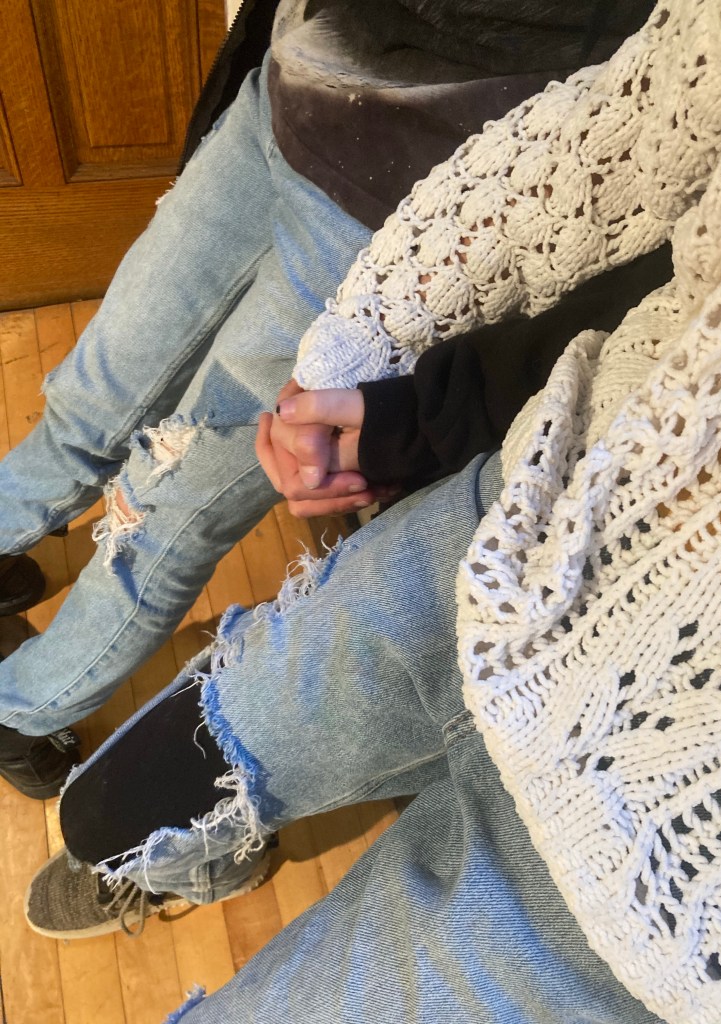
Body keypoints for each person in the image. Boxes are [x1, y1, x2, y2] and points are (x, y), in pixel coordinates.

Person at [24, 2, 721, 1022]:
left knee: (168, 495)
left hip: (679, 888)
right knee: (119, 798)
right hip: (538, 517)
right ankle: (191, 853)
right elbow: (630, 130)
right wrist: (368, 357)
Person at [0, 0, 653, 799]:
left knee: (164, 503)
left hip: (415, 209)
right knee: (93, 397)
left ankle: (23, 709)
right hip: (292, 86)